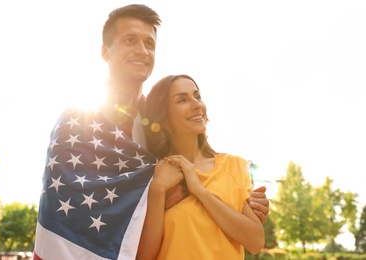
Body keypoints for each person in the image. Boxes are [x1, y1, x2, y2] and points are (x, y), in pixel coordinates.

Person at [33, 4, 269, 260]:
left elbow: (191, 172)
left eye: (149, 43)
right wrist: (166, 193)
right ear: (105, 51)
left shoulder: (156, 121)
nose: (142, 51)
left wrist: (239, 202)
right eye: (130, 40)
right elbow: (76, 210)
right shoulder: (78, 120)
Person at [137, 74, 264, 259]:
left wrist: (199, 190)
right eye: (182, 100)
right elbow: (144, 257)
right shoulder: (153, 175)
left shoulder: (234, 165)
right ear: (163, 118)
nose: (197, 104)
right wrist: (157, 190)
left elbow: (255, 241)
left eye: (197, 96)